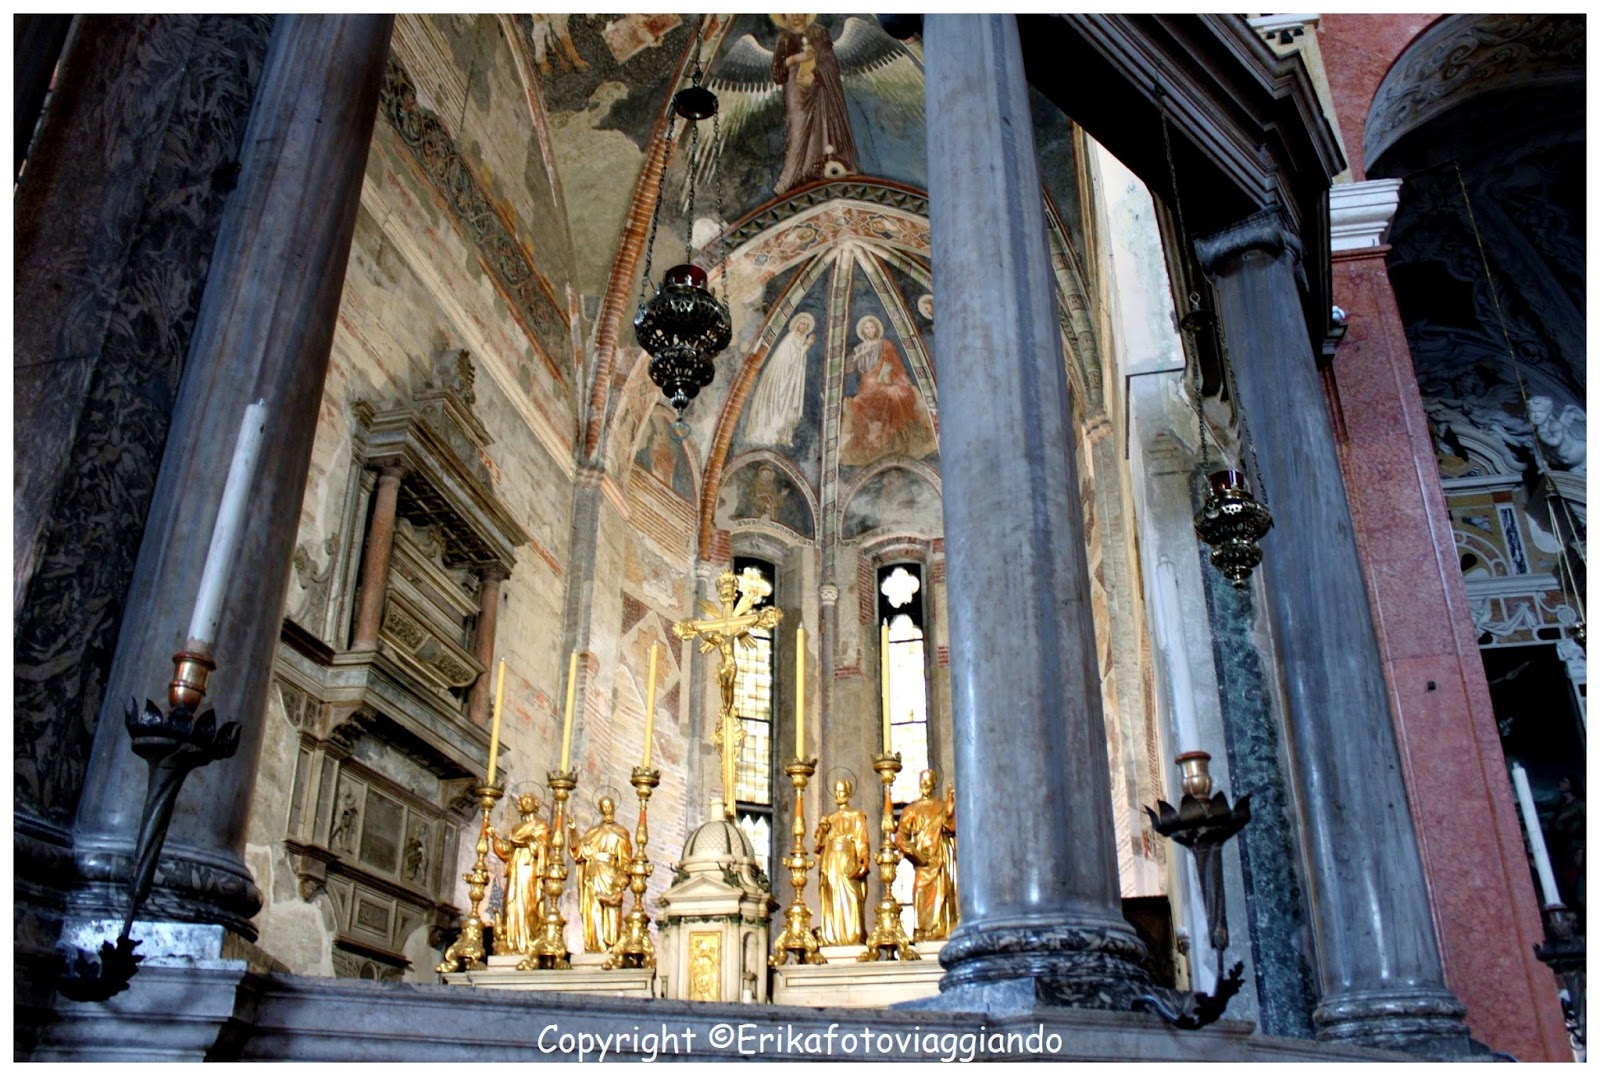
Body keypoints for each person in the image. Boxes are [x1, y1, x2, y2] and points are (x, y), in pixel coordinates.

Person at [771, 15, 858, 193]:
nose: (795, 14)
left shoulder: (819, 32)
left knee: (826, 120)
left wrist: (815, 74)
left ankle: (827, 164)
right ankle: (792, 177)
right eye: (790, 10)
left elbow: (830, 62)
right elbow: (777, 72)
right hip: (796, 90)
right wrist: (797, 59)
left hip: (821, 87)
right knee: (798, 130)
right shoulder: (784, 38)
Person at [841, 314, 933, 465]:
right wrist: (858, 357)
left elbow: (893, 363)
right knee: (861, 401)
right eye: (866, 327)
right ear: (863, 331)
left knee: (895, 395)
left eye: (872, 327)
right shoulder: (859, 348)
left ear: (876, 328)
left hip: (884, 378)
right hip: (868, 382)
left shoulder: (885, 344)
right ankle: (874, 441)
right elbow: (847, 368)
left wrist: (884, 376)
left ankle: (896, 438)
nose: (869, 329)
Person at [893, 768, 958, 940]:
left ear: (934, 783)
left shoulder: (942, 806)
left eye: (929, 782)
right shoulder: (911, 809)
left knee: (944, 891)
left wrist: (950, 810)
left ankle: (942, 929)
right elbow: (901, 834)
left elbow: (951, 828)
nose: (925, 785)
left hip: (941, 855)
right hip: (923, 860)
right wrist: (905, 846)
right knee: (920, 890)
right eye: (923, 782)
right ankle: (923, 931)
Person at [568, 795, 633, 952]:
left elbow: (625, 861)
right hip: (592, 876)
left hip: (610, 876)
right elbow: (579, 852)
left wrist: (622, 880)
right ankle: (594, 946)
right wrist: (573, 831)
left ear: (613, 807)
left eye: (609, 805)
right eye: (604, 806)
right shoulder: (592, 832)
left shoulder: (621, 833)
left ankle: (610, 945)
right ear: (600, 809)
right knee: (592, 911)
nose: (607, 809)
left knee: (611, 911)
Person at [488, 793, 551, 955]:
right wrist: (494, 837)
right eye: (523, 801)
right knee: (511, 901)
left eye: (529, 800)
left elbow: (543, 848)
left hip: (529, 869)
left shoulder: (541, 825)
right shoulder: (516, 828)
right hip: (516, 869)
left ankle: (529, 940)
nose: (526, 803)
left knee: (528, 903)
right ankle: (512, 941)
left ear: (535, 804)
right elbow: (506, 851)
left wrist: (524, 841)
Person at [813, 777, 871, 945]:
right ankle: (832, 936)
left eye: (841, 791)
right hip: (830, 862)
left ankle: (853, 935)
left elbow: (862, 840)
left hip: (847, 860)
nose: (838, 795)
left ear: (848, 792)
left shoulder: (856, 815)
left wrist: (864, 860)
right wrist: (822, 832)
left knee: (852, 896)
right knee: (831, 897)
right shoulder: (829, 818)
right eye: (836, 792)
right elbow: (819, 846)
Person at [743, 312, 814, 447]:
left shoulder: (801, 340)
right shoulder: (790, 338)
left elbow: (799, 362)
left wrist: (805, 344)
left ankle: (784, 436)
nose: (804, 326)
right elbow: (790, 359)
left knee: (788, 407)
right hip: (782, 377)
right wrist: (807, 345)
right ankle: (769, 432)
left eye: (807, 324)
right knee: (777, 403)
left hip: (792, 380)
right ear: (796, 324)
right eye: (802, 323)